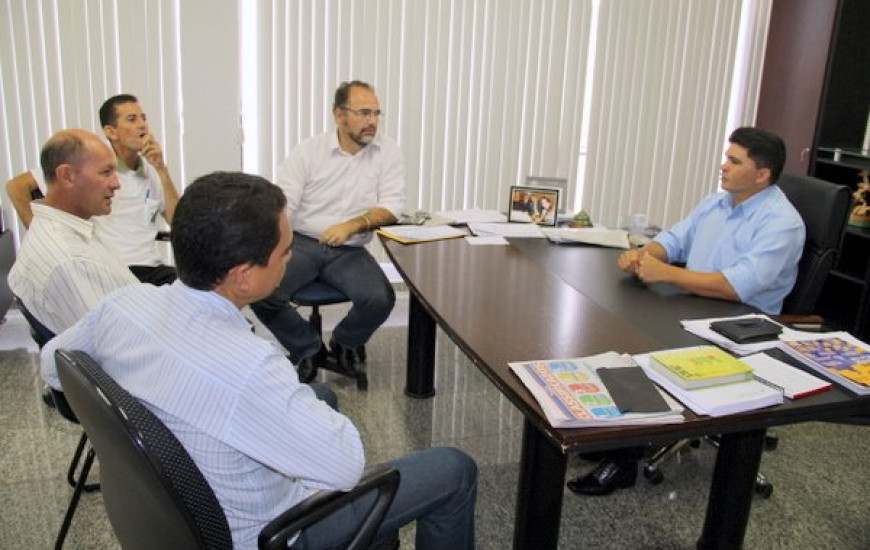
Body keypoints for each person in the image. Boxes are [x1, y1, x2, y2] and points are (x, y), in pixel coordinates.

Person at [41, 172, 477, 550]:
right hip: (263, 533)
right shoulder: (251, 367)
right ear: (244, 275)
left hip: (173, 502)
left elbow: (51, 363)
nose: (291, 260)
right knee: (454, 469)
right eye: (286, 252)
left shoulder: (124, 304)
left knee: (319, 395)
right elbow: (347, 466)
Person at [568, 126, 805, 496]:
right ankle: (610, 439)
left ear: (762, 175)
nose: (723, 166)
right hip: (693, 307)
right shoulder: (717, 202)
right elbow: (675, 239)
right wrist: (646, 255)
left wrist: (668, 274)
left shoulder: (782, 223)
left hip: (740, 326)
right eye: (727, 157)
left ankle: (623, 459)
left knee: (636, 354)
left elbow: (736, 286)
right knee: (611, 329)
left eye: (734, 160)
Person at [251, 81, 405, 377]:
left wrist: (352, 226)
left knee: (380, 299)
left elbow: (393, 205)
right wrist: (276, 247)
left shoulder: (388, 151)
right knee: (261, 291)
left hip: (350, 249)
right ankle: (308, 348)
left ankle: (345, 341)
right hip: (303, 243)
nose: (372, 121)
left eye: (376, 113)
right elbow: (284, 204)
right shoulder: (308, 152)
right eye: (363, 113)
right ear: (339, 115)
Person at [6, 94, 179, 285]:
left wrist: (162, 169)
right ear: (111, 132)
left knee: (202, 293)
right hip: (113, 269)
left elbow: (177, 221)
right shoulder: (92, 165)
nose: (142, 125)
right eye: (132, 119)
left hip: (152, 268)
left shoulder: (151, 168)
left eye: (143, 118)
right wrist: (38, 233)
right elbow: (16, 186)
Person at [8, 129, 140, 335]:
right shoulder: (69, 260)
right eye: (105, 172)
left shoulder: (74, 229)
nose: (116, 183)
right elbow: (116, 342)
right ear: (67, 176)